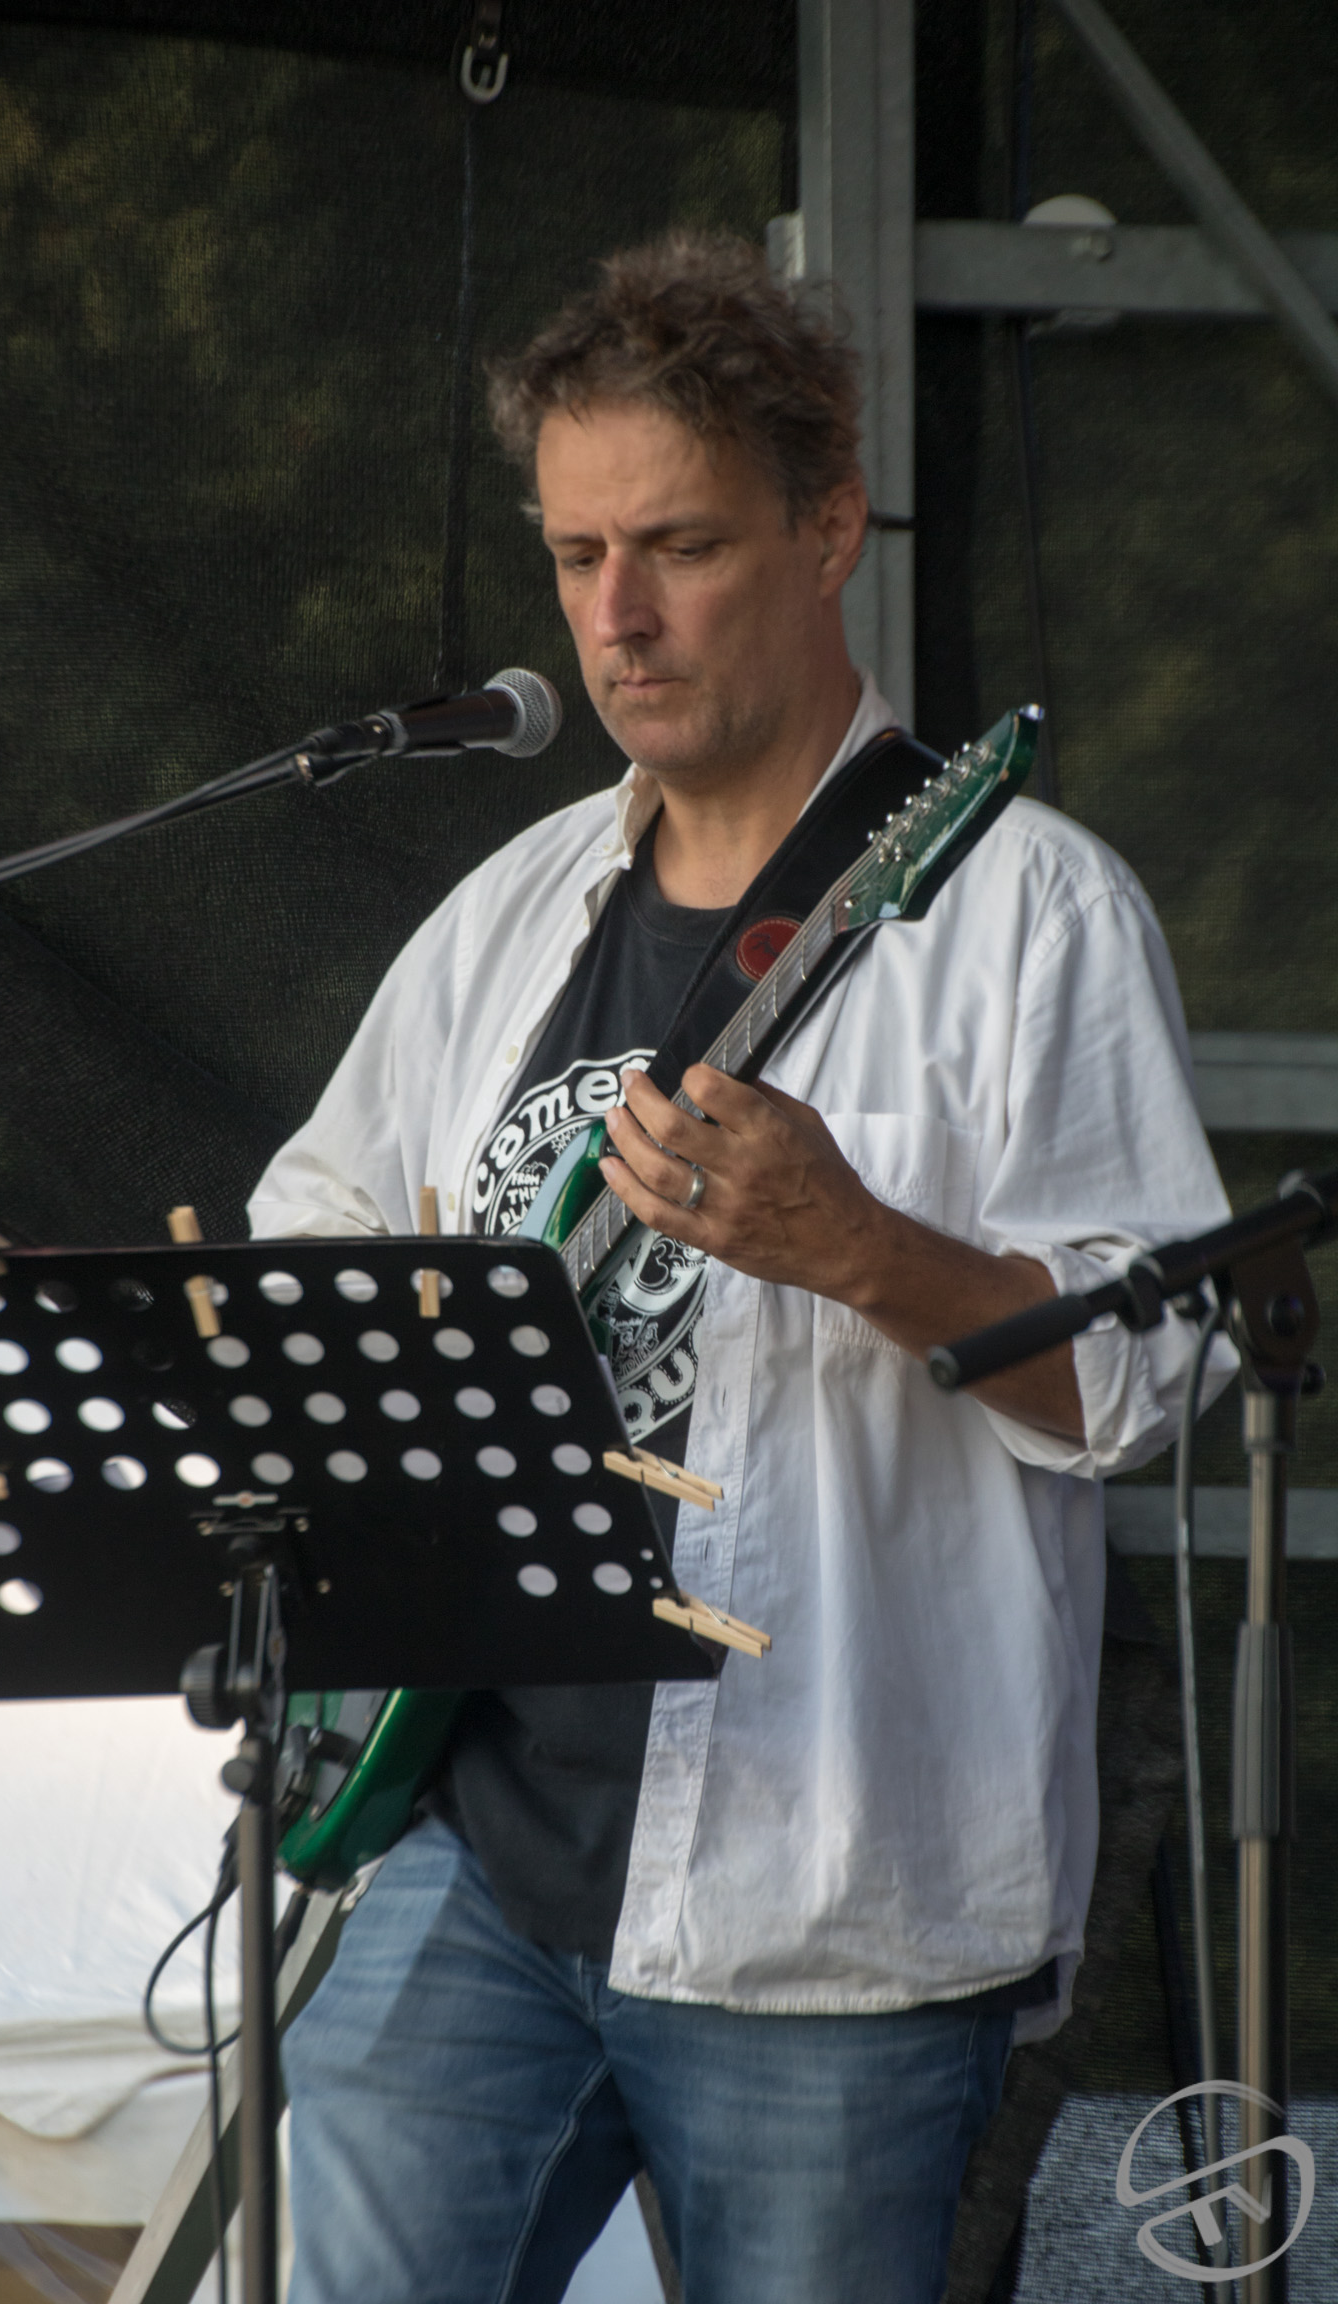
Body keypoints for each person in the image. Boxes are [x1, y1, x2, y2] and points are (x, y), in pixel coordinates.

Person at [249, 233, 1230, 2304]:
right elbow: (307, 1221)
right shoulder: (511, 912)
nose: (617, 614)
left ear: (828, 529)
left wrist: (862, 1249)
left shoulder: (1034, 914)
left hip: (826, 1907)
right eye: (577, 553)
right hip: (468, 1836)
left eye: (680, 547)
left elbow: (1146, 1381)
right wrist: (401, 1324)